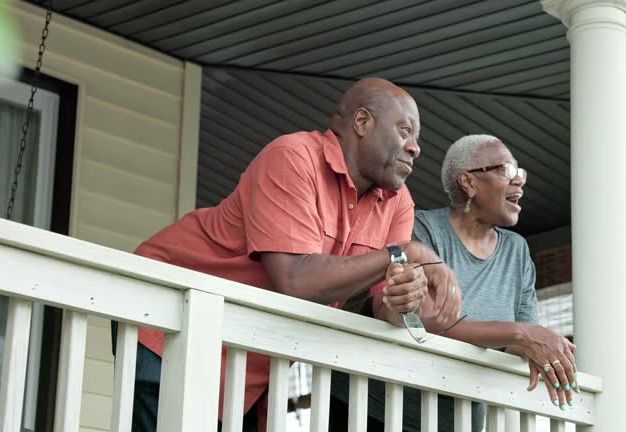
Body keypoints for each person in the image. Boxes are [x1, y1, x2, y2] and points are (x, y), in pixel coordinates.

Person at [114, 78, 463, 432]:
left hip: (251, 358)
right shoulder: (294, 156)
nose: (416, 148)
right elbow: (294, 279)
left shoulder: (397, 202)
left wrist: (406, 297)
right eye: (406, 130)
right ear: (362, 122)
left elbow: (384, 305)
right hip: (171, 319)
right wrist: (401, 254)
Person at [330, 135, 579, 431]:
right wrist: (522, 334)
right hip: (378, 409)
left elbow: (517, 345)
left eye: (520, 174)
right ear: (469, 182)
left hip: (458, 419)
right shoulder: (420, 227)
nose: (519, 182)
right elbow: (427, 322)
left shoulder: (517, 250)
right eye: (507, 170)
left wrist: (544, 352)